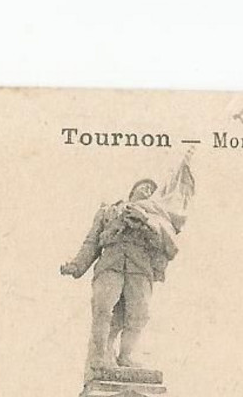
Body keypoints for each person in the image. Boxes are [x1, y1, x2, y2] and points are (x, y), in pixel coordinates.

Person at [60, 155, 194, 373]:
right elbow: (91, 242)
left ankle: (126, 356)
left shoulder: (156, 216)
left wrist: (146, 221)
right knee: (103, 309)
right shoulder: (109, 212)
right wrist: (76, 266)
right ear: (133, 190)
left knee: (138, 314)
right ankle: (101, 356)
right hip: (110, 265)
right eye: (143, 187)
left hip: (140, 270)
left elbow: (168, 245)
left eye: (151, 190)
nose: (147, 192)